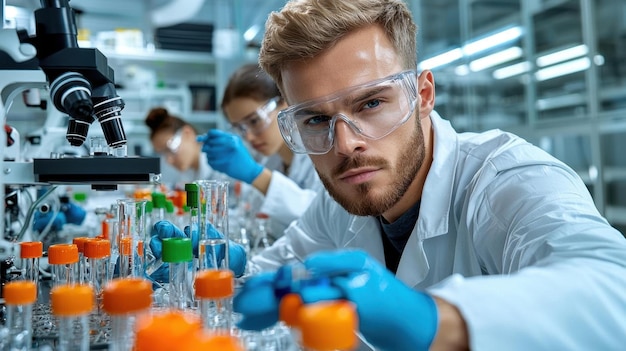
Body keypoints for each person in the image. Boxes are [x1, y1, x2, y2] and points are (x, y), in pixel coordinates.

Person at [228, 0, 626, 350]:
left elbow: (613, 290)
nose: (345, 145)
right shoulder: (341, 204)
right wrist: (223, 268)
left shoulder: (508, 179)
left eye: (370, 103)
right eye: (316, 118)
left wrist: (437, 320)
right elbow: (276, 270)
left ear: (423, 96)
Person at [197, 63, 323, 233]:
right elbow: (253, 221)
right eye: (240, 128)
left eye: (254, 121)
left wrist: (257, 176)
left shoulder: (321, 154)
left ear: (286, 102)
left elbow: (323, 220)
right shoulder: (269, 161)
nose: (248, 136)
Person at [145, 107, 223, 187]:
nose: (169, 160)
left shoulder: (221, 165)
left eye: (170, 149)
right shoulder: (187, 174)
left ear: (187, 133)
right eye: (163, 154)